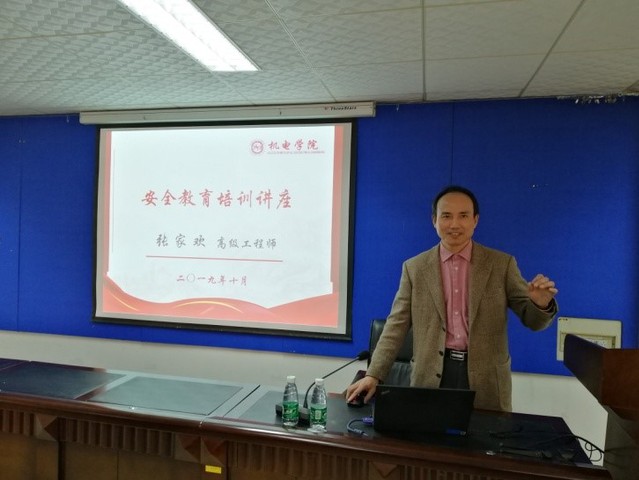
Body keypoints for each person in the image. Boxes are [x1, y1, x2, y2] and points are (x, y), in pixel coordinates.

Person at [346, 185, 558, 411]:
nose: (454, 224)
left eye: (463, 216)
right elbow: (396, 325)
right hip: (430, 377)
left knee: (484, 434)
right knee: (428, 434)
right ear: (434, 220)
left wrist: (540, 304)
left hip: (486, 380)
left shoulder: (501, 265)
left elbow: (533, 322)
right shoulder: (415, 268)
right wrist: (374, 374)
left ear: (475, 220)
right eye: (446, 216)